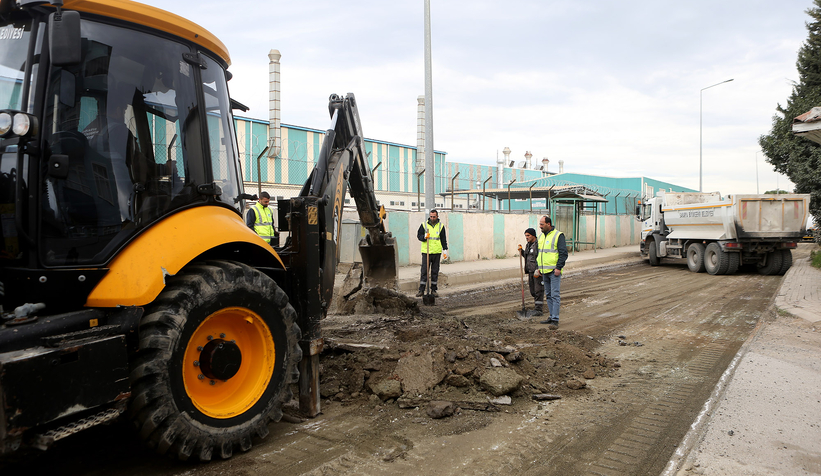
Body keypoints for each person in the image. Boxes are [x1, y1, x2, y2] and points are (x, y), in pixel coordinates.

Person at [534, 215, 567, 326]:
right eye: (540, 224)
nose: (540, 226)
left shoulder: (558, 235)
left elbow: (563, 253)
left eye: (542, 224)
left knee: (555, 295)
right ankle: (551, 316)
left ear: (548, 224)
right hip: (544, 271)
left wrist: (558, 267)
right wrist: (539, 268)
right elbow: (540, 254)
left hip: (554, 271)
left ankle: (555, 319)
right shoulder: (541, 237)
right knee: (548, 295)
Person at [416, 209, 448, 297]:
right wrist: (424, 237)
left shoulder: (441, 226)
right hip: (426, 252)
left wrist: (445, 250)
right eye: (431, 216)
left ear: (437, 216)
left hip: (437, 252)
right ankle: (421, 290)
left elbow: (443, 239)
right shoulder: (424, 225)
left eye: (434, 216)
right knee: (424, 271)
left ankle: (433, 290)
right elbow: (419, 236)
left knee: (435, 271)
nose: (432, 218)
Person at [518, 227, 544, 316]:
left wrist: (539, 269)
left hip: (537, 271)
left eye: (528, 235)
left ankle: (538, 309)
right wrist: (521, 252)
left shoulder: (538, 244)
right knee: (532, 291)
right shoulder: (528, 244)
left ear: (533, 235)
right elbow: (528, 257)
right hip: (530, 271)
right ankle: (537, 306)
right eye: (525, 236)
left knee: (538, 290)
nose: (527, 237)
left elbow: (540, 257)